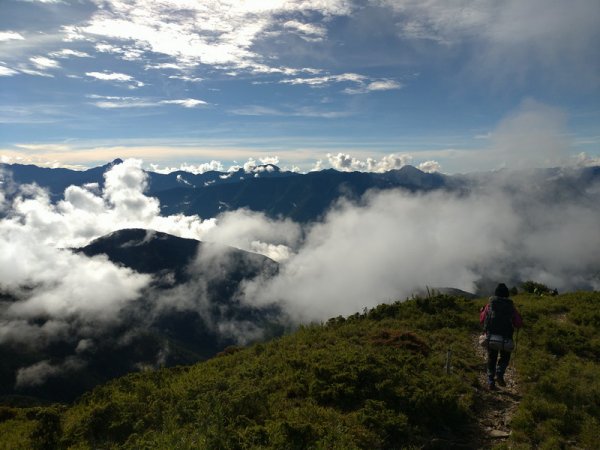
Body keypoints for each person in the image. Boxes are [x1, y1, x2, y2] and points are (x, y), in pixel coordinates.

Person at [480, 283, 523, 390]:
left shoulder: (490, 305)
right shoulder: (511, 307)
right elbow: (518, 323)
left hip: (491, 336)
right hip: (506, 338)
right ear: (507, 294)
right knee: (505, 356)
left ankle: (490, 381)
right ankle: (500, 373)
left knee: (491, 358)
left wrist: (482, 312)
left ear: (496, 293)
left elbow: (482, 320)